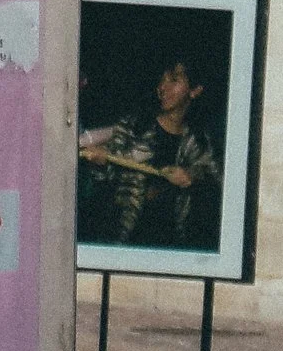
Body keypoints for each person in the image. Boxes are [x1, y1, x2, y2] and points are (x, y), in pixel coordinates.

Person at [80, 56, 220, 245]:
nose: (163, 87)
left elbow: (215, 182)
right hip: (126, 239)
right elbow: (104, 181)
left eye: (173, 80)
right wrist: (100, 164)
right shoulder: (135, 126)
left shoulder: (199, 142)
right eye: (162, 80)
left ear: (195, 91)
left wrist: (191, 176)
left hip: (175, 244)